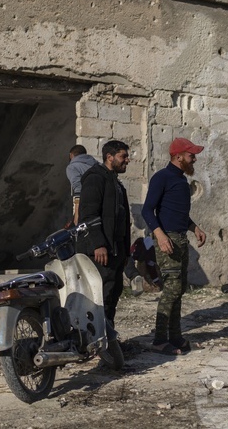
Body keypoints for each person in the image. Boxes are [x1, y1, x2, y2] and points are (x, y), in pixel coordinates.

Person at [141, 137, 208, 355]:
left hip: (179, 239)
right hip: (167, 240)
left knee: (179, 289)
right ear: (178, 156)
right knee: (170, 289)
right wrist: (159, 236)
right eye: (191, 155)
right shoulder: (162, 177)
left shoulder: (180, 180)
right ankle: (160, 340)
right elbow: (147, 210)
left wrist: (194, 227)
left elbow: (177, 214)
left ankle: (176, 337)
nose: (194, 159)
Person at [79, 140, 132, 328]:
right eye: (123, 156)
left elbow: (121, 218)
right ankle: (96, 339)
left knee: (113, 293)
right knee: (101, 296)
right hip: (101, 251)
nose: (127, 160)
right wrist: (98, 244)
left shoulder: (115, 182)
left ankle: (108, 339)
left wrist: (126, 251)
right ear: (109, 157)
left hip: (116, 250)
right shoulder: (95, 178)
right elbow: (88, 214)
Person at [66, 144, 97, 225]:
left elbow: (78, 189)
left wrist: (77, 214)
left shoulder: (72, 167)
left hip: (85, 205)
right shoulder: (97, 165)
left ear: (71, 155)